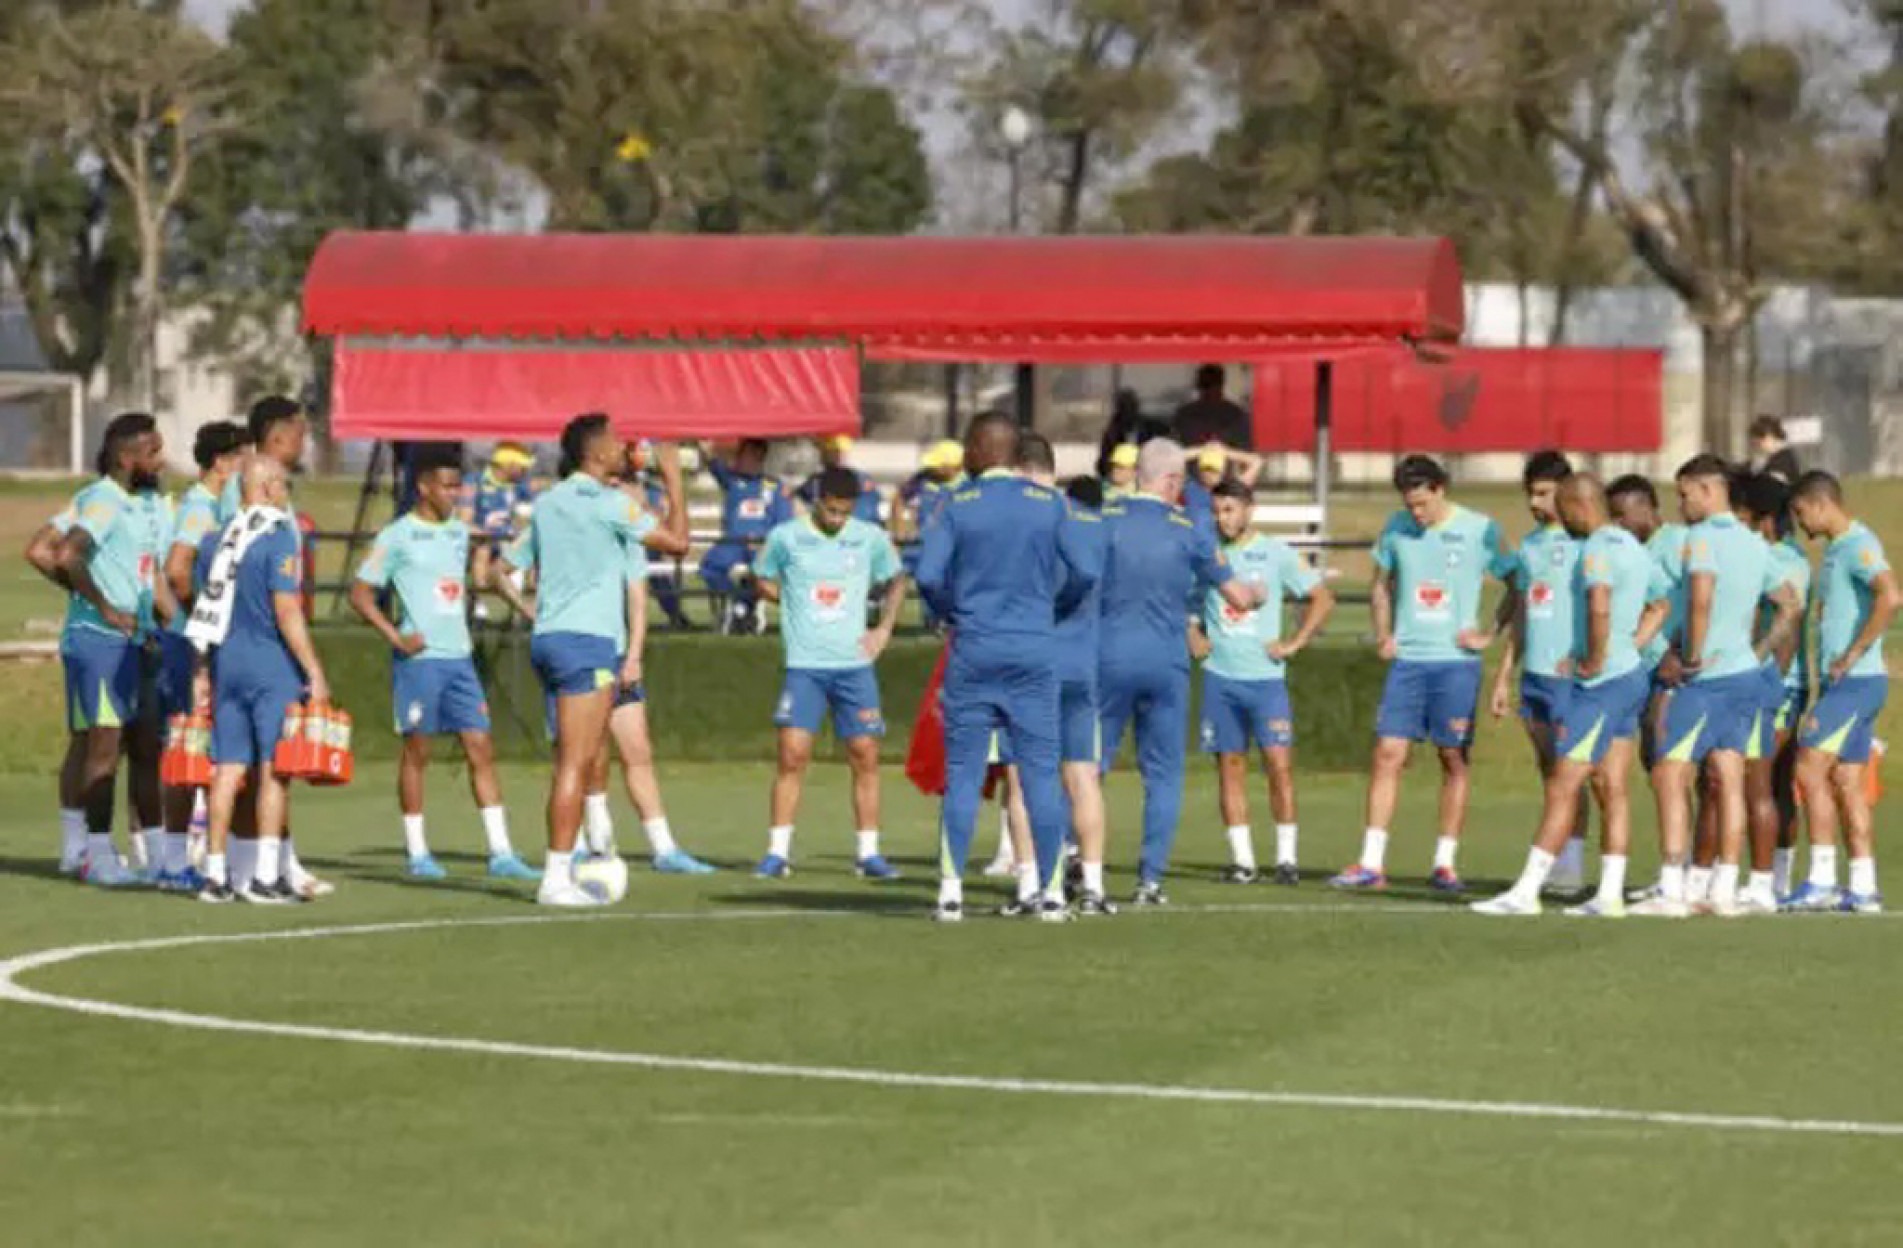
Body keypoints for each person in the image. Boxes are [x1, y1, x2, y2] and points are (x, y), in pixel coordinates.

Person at [915, 413, 1098, 922]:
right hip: (1033, 650)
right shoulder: (1048, 503)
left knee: (963, 773)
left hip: (974, 648)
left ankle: (950, 892)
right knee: (1040, 772)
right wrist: (1054, 607)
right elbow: (1086, 570)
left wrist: (952, 609)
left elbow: (927, 575)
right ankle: (1053, 893)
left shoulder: (956, 504)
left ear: (978, 450)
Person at [501, 416, 690, 906]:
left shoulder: (548, 502)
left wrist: (531, 609)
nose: (623, 447)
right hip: (587, 642)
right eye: (614, 441)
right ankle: (556, 879)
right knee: (575, 765)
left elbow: (502, 568)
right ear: (595, 452)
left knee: (578, 759)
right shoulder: (610, 504)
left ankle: (579, 857)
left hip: (550, 638)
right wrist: (673, 478)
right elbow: (678, 543)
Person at [1472, 474, 1669, 917]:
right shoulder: (1632, 546)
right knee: (1613, 786)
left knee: (1564, 783)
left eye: (1564, 509)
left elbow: (1598, 605)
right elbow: (1661, 604)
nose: (1560, 518)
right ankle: (1610, 895)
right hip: (1630, 678)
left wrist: (1596, 658)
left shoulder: (1596, 549)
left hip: (1600, 686)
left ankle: (1526, 892)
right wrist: (1630, 646)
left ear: (1581, 505)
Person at [349, 443, 539, 882]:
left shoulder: (458, 532)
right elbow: (360, 594)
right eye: (448, 486)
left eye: (459, 486)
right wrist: (396, 637)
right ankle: (418, 853)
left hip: (460, 660)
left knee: (481, 748)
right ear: (424, 487)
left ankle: (502, 852)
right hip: (420, 663)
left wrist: (523, 602)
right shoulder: (396, 536)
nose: (456, 494)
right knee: (418, 752)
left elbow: (483, 576)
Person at [1333, 455, 1513, 893]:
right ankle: (1371, 863)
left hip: (1456, 663)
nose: (1416, 513)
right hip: (1409, 662)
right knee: (1387, 753)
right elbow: (1380, 585)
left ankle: (1445, 864)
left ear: (1440, 489)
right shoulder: (1396, 528)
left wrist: (1489, 633)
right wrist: (1383, 634)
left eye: (1422, 503)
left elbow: (1518, 584)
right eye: (1409, 505)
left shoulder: (1480, 529)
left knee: (1452, 757)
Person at [1633, 455, 1799, 917]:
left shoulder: (1701, 539)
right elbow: (1790, 603)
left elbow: (1701, 600)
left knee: (1670, 774)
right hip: (1745, 674)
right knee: (1729, 776)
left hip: (1706, 679)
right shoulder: (1753, 543)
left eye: (1684, 494)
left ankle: (1672, 889)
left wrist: (1691, 655)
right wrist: (1758, 651)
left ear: (1707, 491)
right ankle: (1724, 889)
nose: (1680, 504)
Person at [1099, 439, 1261, 906]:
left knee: (1089, 765)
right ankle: (1150, 879)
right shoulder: (1189, 528)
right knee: (1163, 774)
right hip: (1165, 662)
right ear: (1170, 480)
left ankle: (1079, 862)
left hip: (1108, 657)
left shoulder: (1104, 519)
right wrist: (1258, 592)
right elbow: (1237, 597)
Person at [750, 465, 907, 880]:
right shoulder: (786, 536)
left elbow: (896, 579)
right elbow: (761, 577)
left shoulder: (869, 537)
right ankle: (777, 852)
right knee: (792, 755)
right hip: (805, 666)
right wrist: (791, 600)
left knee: (865, 755)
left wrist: (884, 629)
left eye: (845, 512)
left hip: (854, 667)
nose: (838, 519)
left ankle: (868, 853)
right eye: (832, 511)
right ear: (818, 501)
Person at [188, 456, 330, 904]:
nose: (287, 493)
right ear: (266, 487)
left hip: (226, 662)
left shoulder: (215, 540)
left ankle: (216, 874)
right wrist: (314, 670)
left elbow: (205, 609)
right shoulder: (278, 535)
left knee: (227, 768)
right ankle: (266, 876)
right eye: (283, 484)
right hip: (269, 663)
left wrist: (201, 669)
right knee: (274, 767)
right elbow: (286, 609)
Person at [1189, 478, 1334, 885]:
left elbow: (1323, 598)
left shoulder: (1276, 553)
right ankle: (1243, 862)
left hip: (1266, 680)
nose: (1222, 519)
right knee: (1229, 766)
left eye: (1229, 510)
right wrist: (1192, 631)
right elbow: (1186, 601)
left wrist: (1295, 642)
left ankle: (1286, 859)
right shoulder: (1206, 555)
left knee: (1279, 766)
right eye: (1216, 511)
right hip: (1220, 677)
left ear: (1249, 510)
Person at [52, 413, 174, 887]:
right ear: (126, 458)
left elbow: (149, 574)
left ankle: (160, 857)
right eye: (152, 452)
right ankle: (97, 855)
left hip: (137, 641)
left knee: (146, 745)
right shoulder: (104, 500)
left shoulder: (136, 502)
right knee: (103, 749)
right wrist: (103, 606)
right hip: (100, 644)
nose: (160, 460)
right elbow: (67, 554)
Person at [1782, 471, 1898, 914]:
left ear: (1820, 504)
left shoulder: (1859, 545)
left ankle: (1822, 880)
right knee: (1847, 781)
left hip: (1857, 683)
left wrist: (1854, 652)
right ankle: (1864, 887)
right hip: (1847, 684)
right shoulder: (1836, 549)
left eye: (1800, 512)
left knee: (1808, 766)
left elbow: (1890, 596)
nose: (1800, 522)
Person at [152, 420, 249, 889]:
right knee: (186, 744)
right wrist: (202, 620)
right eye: (243, 459)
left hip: (205, 642)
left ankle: (202, 850)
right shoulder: (199, 507)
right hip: (189, 644)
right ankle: (173, 861)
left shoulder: (222, 506)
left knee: (206, 744)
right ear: (222, 463)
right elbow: (176, 569)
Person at [1488, 451, 1591, 892]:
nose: (1535, 502)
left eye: (1545, 493)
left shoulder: (1586, 543)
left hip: (1574, 677)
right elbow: (1523, 615)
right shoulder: (1530, 546)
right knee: (1549, 769)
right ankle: (1557, 858)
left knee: (1576, 773)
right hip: (1536, 676)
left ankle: (1573, 863)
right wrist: (1503, 676)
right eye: (1531, 494)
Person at [1733, 473, 1810, 907]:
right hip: (1789, 684)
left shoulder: (1775, 558)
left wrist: (1771, 683)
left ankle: (1763, 884)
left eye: (1743, 517)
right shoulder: (1792, 555)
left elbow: (1790, 624)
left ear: (1762, 519)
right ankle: (1778, 879)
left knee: (1756, 780)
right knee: (1778, 783)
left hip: (1778, 685)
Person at [23, 499, 89, 873]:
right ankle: (77, 846)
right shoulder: (96, 500)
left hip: (135, 633)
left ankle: (149, 848)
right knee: (93, 739)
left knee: (138, 740)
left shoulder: (156, 502)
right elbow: (39, 551)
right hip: (99, 636)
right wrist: (89, 595)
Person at [700, 439, 793, 634]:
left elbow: (784, 524)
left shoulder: (774, 487)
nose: (741, 461)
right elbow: (710, 458)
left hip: (761, 545)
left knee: (760, 572)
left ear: (760, 458)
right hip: (733, 542)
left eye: (748, 456)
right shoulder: (731, 480)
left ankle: (744, 608)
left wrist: (766, 542)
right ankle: (738, 603)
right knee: (709, 566)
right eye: (741, 456)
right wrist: (705, 444)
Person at [463, 442, 536, 621]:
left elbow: (534, 511)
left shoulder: (519, 486)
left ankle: (525, 601)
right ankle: (482, 597)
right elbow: (464, 522)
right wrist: (489, 535)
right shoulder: (474, 482)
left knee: (529, 545)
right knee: (484, 549)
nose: (526, 471)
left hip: (509, 543)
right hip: (481, 542)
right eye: (522, 467)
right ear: (509, 465)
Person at [795, 435, 882, 525]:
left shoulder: (860, 479)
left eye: (841, 453)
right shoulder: (814, 481)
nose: (840, 456)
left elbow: (867, 512)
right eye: (836, 453)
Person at [1171, 364, 1252, 450]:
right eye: (1206, 385)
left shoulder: (1236, 414)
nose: (1209, 390)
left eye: (1212, 384)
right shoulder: (1184, 414)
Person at [1095, 388, 1170, 478]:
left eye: (1131, 406)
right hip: (1122, 478)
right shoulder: (1113, 432)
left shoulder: (1150, 427)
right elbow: (1104, 462)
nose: (1128, 411)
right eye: (1124, 407)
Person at [1748, 416, 1801, 483]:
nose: (1758, 447)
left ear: (1770, 436)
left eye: (1759, 442)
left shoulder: (1782, 460)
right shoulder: (1777, 457)